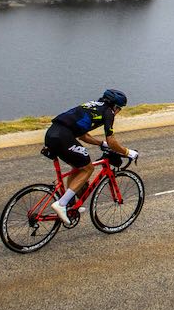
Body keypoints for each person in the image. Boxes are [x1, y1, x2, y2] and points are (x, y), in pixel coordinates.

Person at [45, 88, 137, 225]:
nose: (118, 112)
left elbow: (83, 135)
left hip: (52, 133)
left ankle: (70, 204)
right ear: (115, 106)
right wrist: (128, 152)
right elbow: (112, 141)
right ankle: (61, 204)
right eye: (120, 109)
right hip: (63, 137)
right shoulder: (108, 112)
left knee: (78, 166)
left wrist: (100, 143)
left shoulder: (93, 106)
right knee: (88, 168)